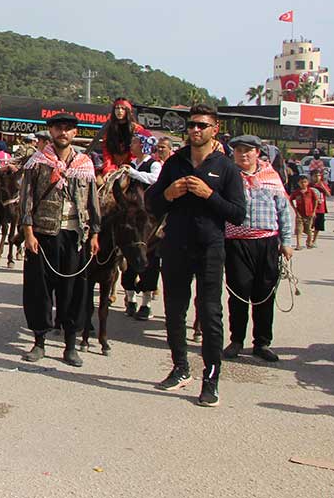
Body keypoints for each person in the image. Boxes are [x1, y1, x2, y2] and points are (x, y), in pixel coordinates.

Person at [145, 104, 246, 407]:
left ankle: (211, 380)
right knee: (175, 310)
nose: (195, 130)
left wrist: (209, 195)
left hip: (210, 248)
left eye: (202, 125)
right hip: (175, 245)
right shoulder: (175, 163)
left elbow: (238, 214)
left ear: (215, 129)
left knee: (211, 313)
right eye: (191, 125)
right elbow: (152, 204)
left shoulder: (226, 167)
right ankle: (180, 368)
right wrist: (168, 194)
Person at [18, 113, 100, 367]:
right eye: (58, 128)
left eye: (68, 129)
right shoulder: (38, 162)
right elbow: (26, 199)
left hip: (75, 236)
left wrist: (95, 232)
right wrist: (28, 232)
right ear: (51, 132)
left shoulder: (85, 164)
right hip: (43, 234)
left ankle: (70, 345)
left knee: (73, 290)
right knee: (39, 290)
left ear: (75, 133)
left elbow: (92, 201)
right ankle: (39, 341)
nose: (63, 133)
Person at [223, 135, 294, 364]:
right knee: (238, 291)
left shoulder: (271, 177)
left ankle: (262, 342)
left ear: (257, 153)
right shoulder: (229, 176)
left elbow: (283, 211)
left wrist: (287, 241)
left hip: (267, 243)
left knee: (264, 293)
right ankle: (236, 340)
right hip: (236, 242)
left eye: (248, 150)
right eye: (238, 150)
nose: (243, 154)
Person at [120, 131, 162, 318]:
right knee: (126, 253)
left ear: (143, 145)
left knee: (150, 257)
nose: (131, 146)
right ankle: (130, 298)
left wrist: (134, 173)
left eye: (135, 142)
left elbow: (155, 180)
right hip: (131, 213)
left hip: (148, 215)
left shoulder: (154, 164)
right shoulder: (131, 163)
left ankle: (146, 303)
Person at [96, 98, 144, 173]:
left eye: (123, 108)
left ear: (128, 111)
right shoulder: (109, 128)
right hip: (112, 165)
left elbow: (138, 150)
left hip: (132, 165)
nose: (119, 111)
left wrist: (131, 165)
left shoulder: (137, 129)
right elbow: (106, 149)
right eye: (117, 108)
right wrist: (108, 166)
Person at [289, 175, 322, 249]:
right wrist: (295, 209)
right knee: (299, 230)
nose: (303, 184)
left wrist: (314, 211)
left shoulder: (310, 191)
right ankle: (298, 244)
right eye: (301, 182)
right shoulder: (297, 192)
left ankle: (309, 242)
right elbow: (290, 199)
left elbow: (316, 200)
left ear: (307, 183)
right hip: (300, 214)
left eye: (305, 182)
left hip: (309, 213)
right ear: (298, 183)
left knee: (309, 230)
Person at [309, 171, 330, 241]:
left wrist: (323, 187)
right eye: (315, 176)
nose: (317, 177)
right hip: (311, 208)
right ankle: (309, 239)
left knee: (318, 226)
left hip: (320, 208)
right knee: (309, 225)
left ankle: (314, 240)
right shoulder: (309, 185)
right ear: (311, 177)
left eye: (319, 176)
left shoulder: (323, 185)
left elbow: (328, 195)